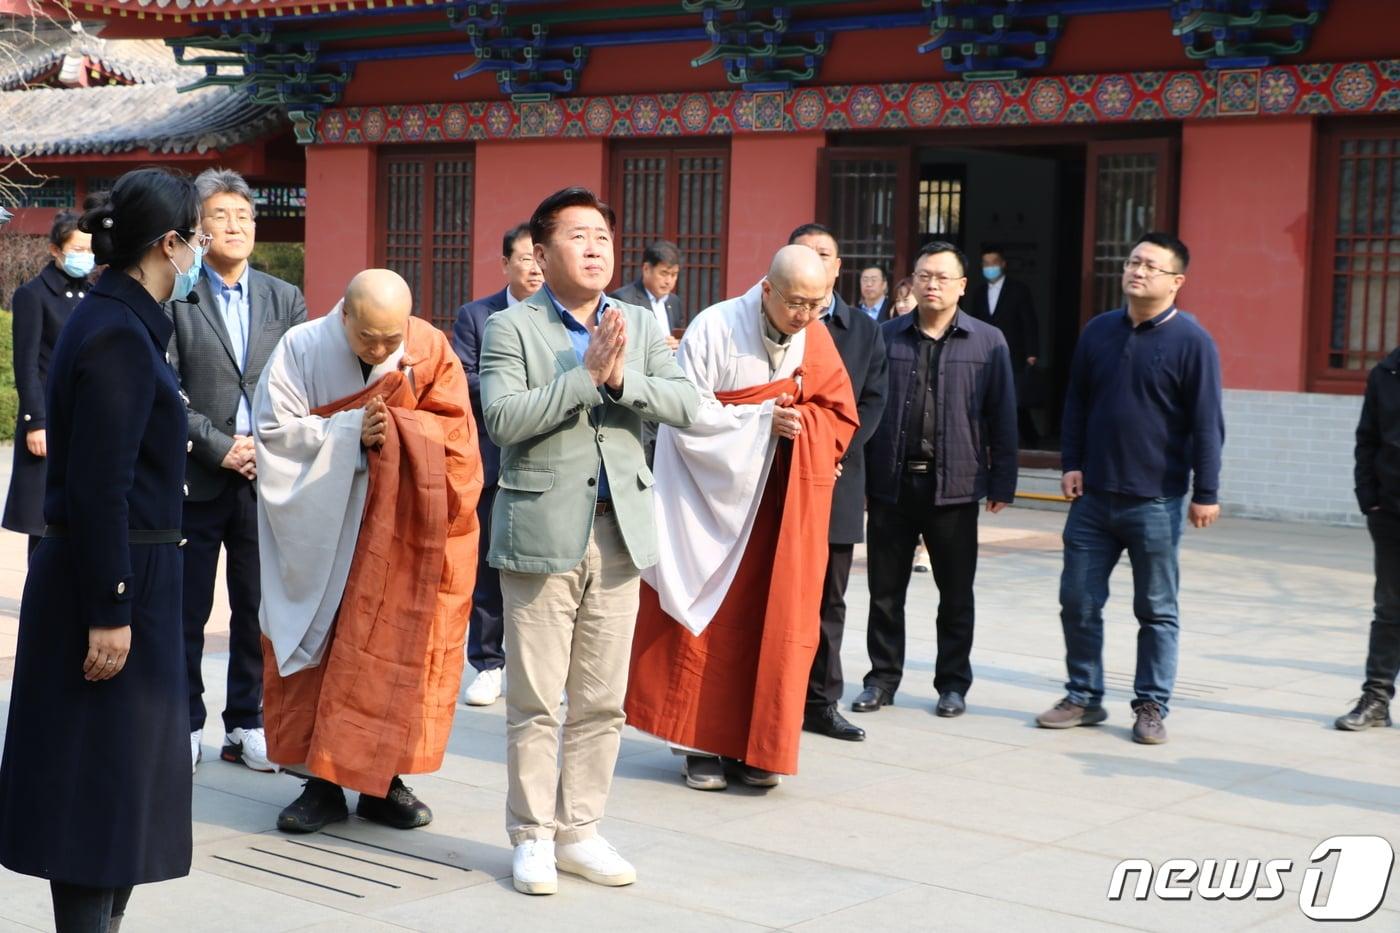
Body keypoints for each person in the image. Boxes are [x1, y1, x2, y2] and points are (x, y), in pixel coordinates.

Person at [479, 187, 697, 896]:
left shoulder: (640, 322)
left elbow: (686, 404)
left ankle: (580, 831)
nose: (595, 247)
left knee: (602, 700)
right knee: (537, 700)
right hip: (541, 531)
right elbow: (503, 419)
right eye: (577, 236)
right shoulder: (511, 327)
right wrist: (584, 378)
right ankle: (532, 835)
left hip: (619, 530)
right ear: (541, 255)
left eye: (602, 235)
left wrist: (622, 376)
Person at [0, 167, 202, 932]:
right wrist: (110, 607)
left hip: (128, 567)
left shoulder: (118, 316)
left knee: (119, 796)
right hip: (114, 575)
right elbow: (98, 486)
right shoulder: (117, 331)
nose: (199, 253)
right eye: (196, 237)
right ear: (169, 244)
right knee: (95, 798)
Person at [253, 269, 483, 833]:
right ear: (344, 314)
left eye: (390, 339)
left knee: (395, 651)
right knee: (322, 650)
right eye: (367, 338)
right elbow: (273, 433)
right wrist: (349, 431)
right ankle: (321, 784)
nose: (380, 351)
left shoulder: (430, 349)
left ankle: (385, 782)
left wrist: (401, 431)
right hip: (323, 529)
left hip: (400, 532)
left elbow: (457, 439)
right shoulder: (301, 348)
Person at [627, 244, 858, 788]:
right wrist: (761, 421)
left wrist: (809, 436)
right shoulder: (714, 327)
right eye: (795, 303)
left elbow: (837, 411)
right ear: (767, 288)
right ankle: (697, 746)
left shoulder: (816, 336)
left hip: (778, 504)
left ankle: (759, 747)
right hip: (708, 496)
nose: (805, 315)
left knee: (769, 623)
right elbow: (684, 410)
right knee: (702, 620)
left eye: (816, 304)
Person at [1035, 232, 1223, 745]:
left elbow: (1207, 423)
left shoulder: (1193, 342)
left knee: (1156, 610)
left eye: (1150, 266)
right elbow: (1076, 403)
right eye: (1133, 262)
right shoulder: (1099, 331)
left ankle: (1151, 705)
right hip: (1093, 498)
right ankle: (1083, 695)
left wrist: (1206, 491)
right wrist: (1071, 463)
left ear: (1176, 281)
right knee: (1077, 600)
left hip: (1156, 501)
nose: (1137, 271)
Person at [168, 168, 307, 775]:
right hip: (196, 477)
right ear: (198, 228)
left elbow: (302, 383)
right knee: (186, 610)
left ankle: (247, 721)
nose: (236, 227)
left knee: (257, 609)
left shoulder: (284, 297)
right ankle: (183, 721)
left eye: (244, 217)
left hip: (265, 476)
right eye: (221, 216)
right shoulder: (177, 294)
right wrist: (220, 446)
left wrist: (266, 446)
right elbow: (166, 389)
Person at [853, 242, 1018, 719]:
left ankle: (952, 684)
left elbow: (1002, 415)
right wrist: (860, 476)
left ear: (962, 286)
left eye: (943, 277)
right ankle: (881, 680)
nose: (932, 284)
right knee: (885, 593)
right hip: (891, 484)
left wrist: (1003, 481)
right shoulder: (885, 336)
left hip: (954, 488)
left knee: (956, 594)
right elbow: (865, 409)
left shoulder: (988, 342)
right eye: (924, 275)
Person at [786, 224, 886, 743]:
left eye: (823, 254)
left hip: (837, 479)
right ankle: (775, 695)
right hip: (774, 477)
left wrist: (831, 450)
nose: (814, 261)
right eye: (803, 253)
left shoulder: (864, 330)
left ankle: (821, 702)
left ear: (838, 266)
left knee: (829, 599)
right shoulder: (764, 320)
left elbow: (872, 402)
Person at [452, 222, 543, 708]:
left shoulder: (560, 317)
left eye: (539, 258)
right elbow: (461, 378)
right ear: (506, 264)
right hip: (491, 457)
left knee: (539, 569)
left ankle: (538, 666)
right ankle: (488, 664)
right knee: (488, 566)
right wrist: (517, 392)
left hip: (544, 458)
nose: (534, 269)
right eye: (524, 258)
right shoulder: (476, 316)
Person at [3, 209, 93, 556]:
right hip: (49, 419)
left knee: (82, 515)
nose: (85, 256)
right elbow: (26, 365)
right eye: (77, 249)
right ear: (56, 250)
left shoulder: (93, 294)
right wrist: (35, 422)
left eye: (90, 249)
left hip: (85, 418)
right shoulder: (33, 294)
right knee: (43, 521)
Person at [1337, 347, 1400, 731]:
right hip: (1390, 510)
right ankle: (1376, 699)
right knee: (1390, 609)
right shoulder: (1386, 373)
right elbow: (1368, 439)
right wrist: (1369, 498)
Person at [969, 246, 1041, 447]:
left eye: (993, 263)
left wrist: (1032, 352)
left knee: (1015, 400)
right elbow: (973, 323)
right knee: (987, 397)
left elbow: (1029, 322)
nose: (989, 267)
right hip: (984, 354)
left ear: (1003, 264)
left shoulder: (1018, 290)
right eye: (986, 263)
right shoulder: (979, 293)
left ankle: (1029, 440)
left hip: (1014, 353)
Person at [610, 239, 685, 350]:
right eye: (664, 273)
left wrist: (677, 343)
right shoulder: (623, 300)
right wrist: (657, 346)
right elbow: (616, 342)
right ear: (646, 269)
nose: (668, 281)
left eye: (674, 275)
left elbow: (678, 338)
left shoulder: (674, 301)